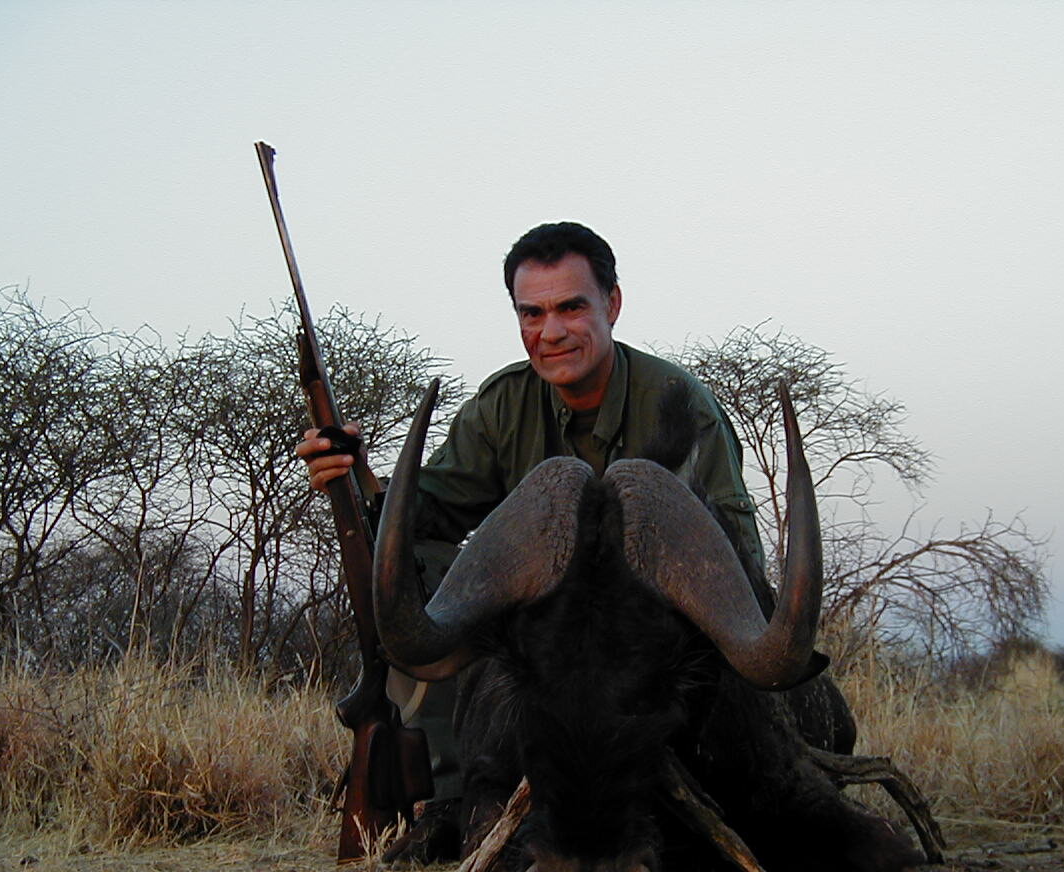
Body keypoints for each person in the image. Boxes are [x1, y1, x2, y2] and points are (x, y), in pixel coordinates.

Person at [297, 221, 768, 801]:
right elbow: (427, 517)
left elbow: (739, 558)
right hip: (541, 641)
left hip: (643, 645)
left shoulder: (679, 402)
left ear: (612, 304)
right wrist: (355, 476)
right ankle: (455, 799)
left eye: (571, 307)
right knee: (413, 568)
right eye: (532, 314)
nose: (552, 333)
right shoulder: (503, 404)